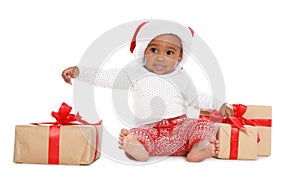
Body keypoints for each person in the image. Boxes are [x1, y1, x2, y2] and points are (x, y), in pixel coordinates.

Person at [62, 20, 232, 162]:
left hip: (181, 131)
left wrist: (219, 105)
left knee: (202, 124)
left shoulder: (181, 77)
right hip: (151, 131)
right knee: (137, 133)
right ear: (144, 51)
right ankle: (137, 148)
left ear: (179, 57)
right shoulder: (135, 73)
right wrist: (80, 72)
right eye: (154, 50)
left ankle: (198, 148)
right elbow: (108, 77)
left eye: (169, 52)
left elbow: (195, 99)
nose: (160, 56)